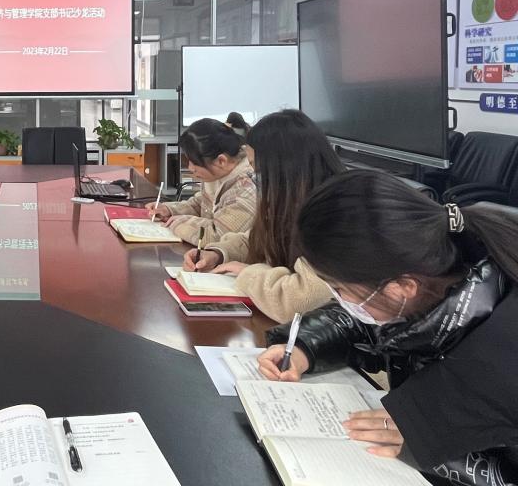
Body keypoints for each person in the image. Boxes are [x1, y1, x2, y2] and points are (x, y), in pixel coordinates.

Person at [258, 170, 518, 485]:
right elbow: (369, 324)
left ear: (402, 287)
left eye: (340, 290)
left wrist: (431, 446)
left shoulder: (502, 354)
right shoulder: (443, 264)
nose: (340, 300)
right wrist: (305, 347)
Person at [182, 110, 341, 322]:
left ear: (284, 168)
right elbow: (258, 240)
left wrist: (246, 273)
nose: (252, 177)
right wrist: (218, 254)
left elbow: (297, 301)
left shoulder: (336, 213)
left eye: (257, 170)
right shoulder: (289, 198)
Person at [147, 117, 257, 245]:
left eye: (195, 162)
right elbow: (200, 204)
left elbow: (216, 236)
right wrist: (170, 210)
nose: (190, 168)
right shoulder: (218, 173)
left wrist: (177, 223)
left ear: (221, 161)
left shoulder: (247, 190)